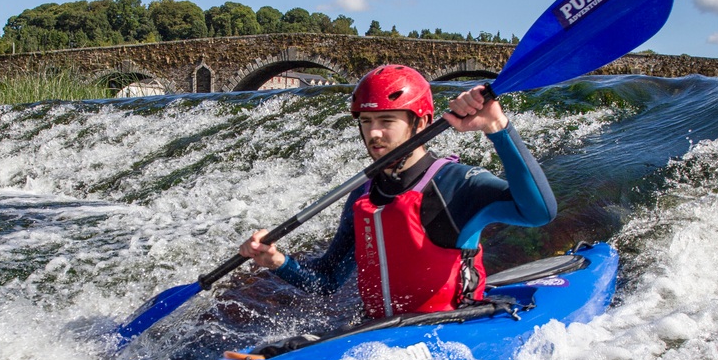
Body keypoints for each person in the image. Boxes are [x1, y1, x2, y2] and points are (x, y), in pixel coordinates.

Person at [238, 64, 556, 319]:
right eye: (366, 121)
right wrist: (277, 260)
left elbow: (539, 212)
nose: (374, 133)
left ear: (423, 122)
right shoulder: (361, 195)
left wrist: (497, 127)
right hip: (379, 339)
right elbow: (327, 282)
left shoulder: (458, 185)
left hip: (453, 329)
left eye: (387, 120)